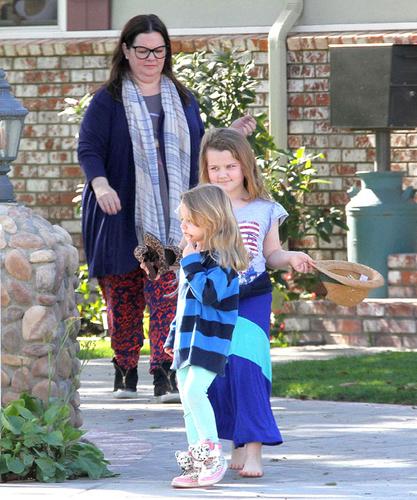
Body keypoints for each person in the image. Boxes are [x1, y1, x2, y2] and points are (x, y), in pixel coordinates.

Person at [77, 14, 255, 401]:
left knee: (168, 290)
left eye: (158, 50)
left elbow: (199, 146)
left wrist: (231, 136)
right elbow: (89, 149)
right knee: (123, 292)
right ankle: (124, 369)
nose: (151, 57)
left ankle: (163, 372)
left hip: (175, 216)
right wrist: (101, 184)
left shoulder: (182, 98)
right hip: (119, 211)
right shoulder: (107, 100)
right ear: (125, 51)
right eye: (142, 50)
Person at [199, 128, 315, 478]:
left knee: (248, 369)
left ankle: (254, 451)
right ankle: (234, 438)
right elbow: (190, 253)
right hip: (212, 301)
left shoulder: (266, 209)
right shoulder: (200, 205)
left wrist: (290, 256)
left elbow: (272, 254)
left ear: (245, 166)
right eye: (215, 168)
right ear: (205, 170)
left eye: (230, 166)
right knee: (219, 373)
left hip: (252, 299)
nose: (222, 174)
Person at [164, 184, 248, 488]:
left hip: (210, 340)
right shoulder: (197, 259)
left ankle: (212, 454)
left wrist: (189, 262)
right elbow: (185, 303)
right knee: (187, 400)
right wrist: (174, 335)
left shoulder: (222, 262)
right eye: (183, 220)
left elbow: (209, 295)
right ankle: (198, 461)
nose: (184, 227)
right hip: (188, 342)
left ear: (211, 221)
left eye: (190, 221)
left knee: (195, 392)